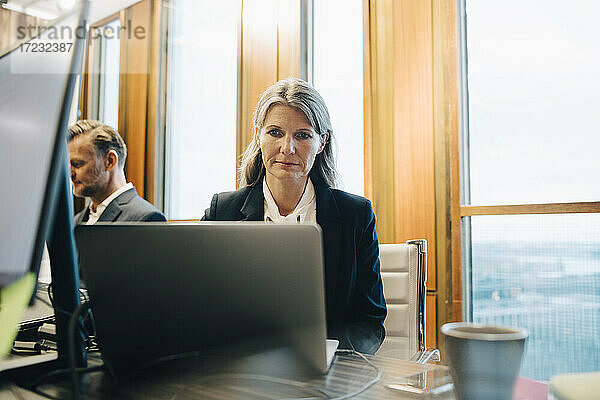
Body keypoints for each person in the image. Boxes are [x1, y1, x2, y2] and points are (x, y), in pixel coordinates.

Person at [203, 78, 387, 354]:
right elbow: (199, 307)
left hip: (326, 378)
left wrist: (324, 355)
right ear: (258, 135)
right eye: (275, 132)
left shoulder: (355, 217)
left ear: (322, 142)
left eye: (302, 135)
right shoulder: (222, 212)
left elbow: (369, 322)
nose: (287, 148)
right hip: (241, 371)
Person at [68, 120, 166, 224]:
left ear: (110, 161)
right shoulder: (77, 220)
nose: (70, 174)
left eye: (77, 164)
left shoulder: (146, 218)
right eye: (68, 165)